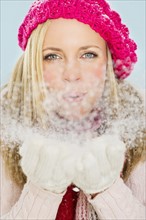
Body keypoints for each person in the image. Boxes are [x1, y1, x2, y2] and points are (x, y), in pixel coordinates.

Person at [0, 0, 145, 219]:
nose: (71, 74)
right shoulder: (5, 124)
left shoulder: (139, 119)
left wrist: (106, 189)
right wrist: (42, 191)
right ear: (34, 64)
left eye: (88, 54)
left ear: (108, 61)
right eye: (52, 56)